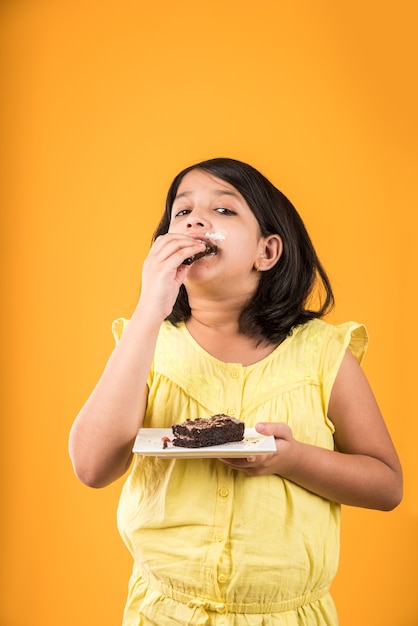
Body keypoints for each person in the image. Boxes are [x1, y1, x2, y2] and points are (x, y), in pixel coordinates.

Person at [69, 157, 403, 625]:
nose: (195, 220)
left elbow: (387, 486)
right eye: (181, 212)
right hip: (164, 613)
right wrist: (149, 308)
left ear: (266, 253)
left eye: (223, 211)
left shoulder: (324, 354)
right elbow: (92, 466)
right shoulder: (147, 343)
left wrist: (292, 459)